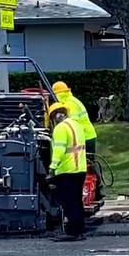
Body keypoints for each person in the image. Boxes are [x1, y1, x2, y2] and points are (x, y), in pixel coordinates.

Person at [47, 102, 87, 241]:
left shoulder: (60, 129)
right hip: (80, 169)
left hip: (66, 170)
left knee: (68, 203)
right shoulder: (77, 125)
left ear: (54, 116)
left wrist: (52, 167)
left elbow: (59, 149)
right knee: (77, 201)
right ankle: (79, 230)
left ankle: (73, 232)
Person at [51, 81, 96, 155]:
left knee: (86, 162)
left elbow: (72, 123)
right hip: (87, 136)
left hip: (86, 137)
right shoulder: (70, 100)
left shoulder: (70, 104)